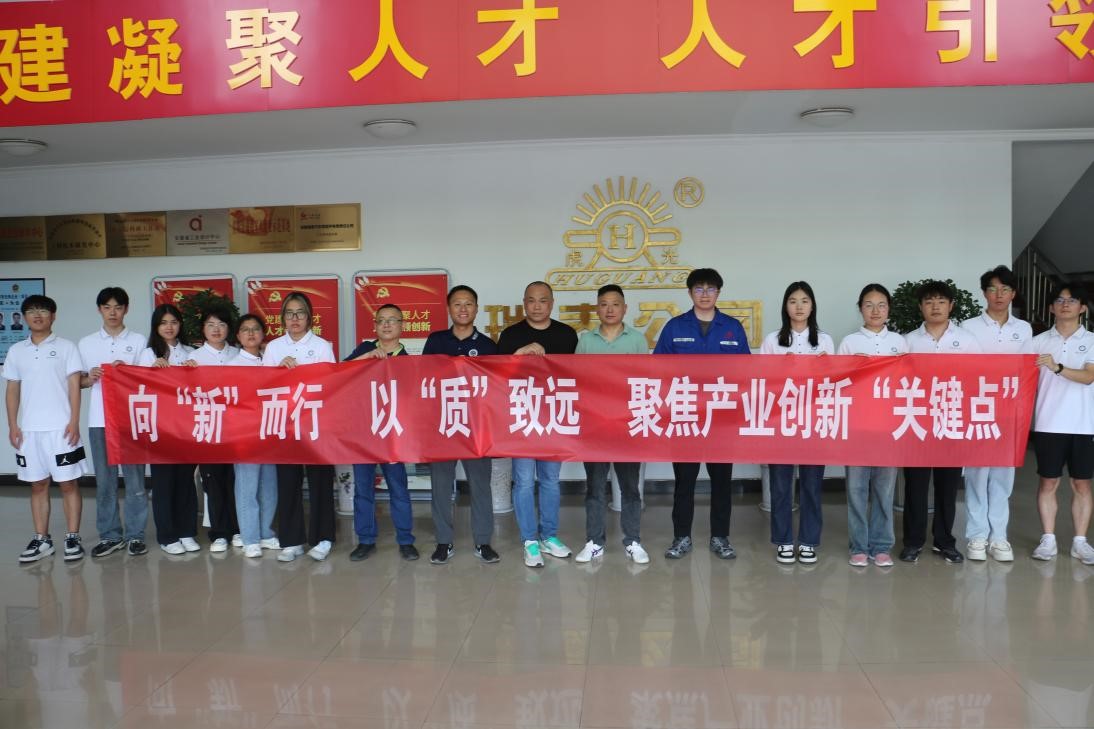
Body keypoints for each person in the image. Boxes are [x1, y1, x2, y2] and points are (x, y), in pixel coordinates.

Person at [653, 268, 750, 560]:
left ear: (718, 292)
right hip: (685, 416)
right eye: (699, 289)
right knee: (684, 481)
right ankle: (681, 536)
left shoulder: (732, 327)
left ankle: (720, 537)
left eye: (710, 289)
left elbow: (747, 371)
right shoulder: (674, 327)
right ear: (689, 293)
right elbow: (657, 369)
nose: (705, 294)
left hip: (721, 418)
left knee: (721, 481)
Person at [901, 280, 982, 565]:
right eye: (929, 301)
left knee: (948, 486)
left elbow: (977, 378)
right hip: (918, 422)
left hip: (952, 419)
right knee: (916, 486)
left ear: (951, 306)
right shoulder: (908, 341)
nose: (935, 307)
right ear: (920, 307)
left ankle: (944, 541)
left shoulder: (968, 340)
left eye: (941, 301)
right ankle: (913, 541)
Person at [498, 281, 579, 568]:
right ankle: (529, 540)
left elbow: (576, 375)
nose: (537, 306)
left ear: (552, 303)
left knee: (550, 480)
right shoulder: (510, 335)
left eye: (543, 300)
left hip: (553, 416)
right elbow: (497, 375)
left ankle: (549, 536)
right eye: (531, 300)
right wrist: (518, 354)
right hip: (522, 416)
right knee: (523, 481)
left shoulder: (566, 335)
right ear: (524, 303)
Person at [4, 295, 88, 563]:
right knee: (38, 485)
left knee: (68, 483)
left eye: (42, 310)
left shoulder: (66, 347)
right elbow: (12, 389)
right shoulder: (17, 350)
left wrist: (74, 421)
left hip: (62, 430)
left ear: (53, 316)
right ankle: (42, 540)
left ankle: (72, 537)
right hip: (30, 432)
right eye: (31, 311)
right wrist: (13, 425)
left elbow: (74, 387)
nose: (37, 315)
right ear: (24, 317)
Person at [422, 285, 500, 565]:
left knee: (480, 486)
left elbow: (497, 388)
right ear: (449, 309)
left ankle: (483, 542)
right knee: (441, 486)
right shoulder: (436, 341)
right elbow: (422, 380)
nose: (463, 309)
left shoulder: (489, 346)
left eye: (468, 304)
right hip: (443, 425)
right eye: (457, 304)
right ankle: (444, 542)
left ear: (476, 309)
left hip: (476, 427)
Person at [960, 265, 1033, 562]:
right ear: (984, 293)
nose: (999, 295)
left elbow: (1026, 371)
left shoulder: (1023, 329)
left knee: (1003, 475)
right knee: (977, 474)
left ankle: (999, 537)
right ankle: (976, 536)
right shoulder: (967, 327)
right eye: (993, 289)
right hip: (978, 409)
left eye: (1005, 289)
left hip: (1009, 410)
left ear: (1013, 294)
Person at [574, 285, 650, 564]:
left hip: (627, 426)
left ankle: (633, 541)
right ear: (597, 308)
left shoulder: (637, 340)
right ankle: (594, 542)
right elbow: (577, 381)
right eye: (604, 304)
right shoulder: (586, 341)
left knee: (630, 488)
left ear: (624, 308)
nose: (609, 309)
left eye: (615, 304)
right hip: (595, 426)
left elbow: (647, 382)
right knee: (594, 488)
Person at [760, 281, 835, 564]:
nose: (799, 306)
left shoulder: (825, 341)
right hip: (781, 421)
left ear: (812, 306)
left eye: (804, 301)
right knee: (781, 485)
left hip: (814, 420)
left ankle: (808, 541)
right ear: (785, 306)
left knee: (812, 485)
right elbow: (761, 382)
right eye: (793, 301)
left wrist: (824, 368)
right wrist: (781, 368)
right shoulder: (772, 340)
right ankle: (783, 540)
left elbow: (833, 382)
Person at [262, 292, 337, 562]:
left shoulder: (321, 346)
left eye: (300, 313)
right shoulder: (273, 348)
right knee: (288, 482)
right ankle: (291, 540)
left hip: (315, 424)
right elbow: (262, 386)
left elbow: (331, 383)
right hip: (285, 424)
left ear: (309, 317)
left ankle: (323, 538)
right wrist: (277, 371)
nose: (295, 318)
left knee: (320, 482)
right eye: (289, 313)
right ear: (282, 318)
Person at [837, 283, 907, 568]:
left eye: (881, 305)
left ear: (889, 308)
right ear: (860, 309)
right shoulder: (849, 343)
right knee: (856, 490)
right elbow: (838, 383)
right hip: (857, 426)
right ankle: (858, 545)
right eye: (869, 305)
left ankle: (881, 546)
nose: (875, 311)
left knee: (884, 490)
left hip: (890, 427)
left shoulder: (900, 342)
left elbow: (908, 382)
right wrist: (855, 368)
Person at [78, 287, 149, 558]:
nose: (112, 312)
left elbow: (148, 380)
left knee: (135, 482)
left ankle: (135, 535)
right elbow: (77, 381)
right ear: (99, 310)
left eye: (118, 307)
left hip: (131, 421)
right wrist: (90, 378)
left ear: (126, 309)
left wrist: (129, 372)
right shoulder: (86, 343)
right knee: (105, 482)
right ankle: (110, 535)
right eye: (107, 307)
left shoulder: (139, 341)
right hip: (99, 421)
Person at [345, 303, 419, 562]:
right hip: (363, 432)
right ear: (375, 325)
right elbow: (339, 374)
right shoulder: (364, 349)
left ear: (402, 326)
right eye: (381, 320)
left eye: (392, 320)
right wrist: (366, 358)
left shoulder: (408, 360)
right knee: (363, 488)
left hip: (393, 434)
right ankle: (365, 540)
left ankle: (405, 540)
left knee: (398, 487)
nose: (386, 325)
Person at [1030, 282, 1094, 565]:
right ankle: (1048, 539)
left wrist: (1057, 367)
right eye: (1059, 300)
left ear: (1083, 308)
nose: (1065, 304)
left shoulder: (1091, 340)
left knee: (1082, 484)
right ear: (1051, 308)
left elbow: (1089, 376)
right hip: (1048, 422)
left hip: (1083, 424)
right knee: (1048, 482)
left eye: (1071, 300)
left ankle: (1080, 541)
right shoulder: (1038, 342)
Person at [139, 304, 198, 555]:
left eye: (173, 322)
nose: (169, 327)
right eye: (163, 323)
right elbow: (137, 387)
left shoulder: (190, 352)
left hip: (186, 427)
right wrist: (152, 373)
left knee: (185, 481)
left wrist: (195, 371)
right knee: (164, 482)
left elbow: (200, 389)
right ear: (156, 327)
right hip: (160, 428)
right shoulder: (148, 354)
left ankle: (186, 531)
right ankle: (167, 536)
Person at [184, 306, 241, 553]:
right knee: (213, 482)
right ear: (203, 329)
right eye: (210, 324)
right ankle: (219, 533)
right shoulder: (194, 358)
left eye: (221, 324)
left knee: (236, 481)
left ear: (229, 328)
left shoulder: (238, 355)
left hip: (237, 430)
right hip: (208, 428)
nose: (216, 329)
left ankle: (238, 529)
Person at [228, 313, 280, 558]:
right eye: (245, 330)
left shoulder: (271, 361)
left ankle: (266, 533)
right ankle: (249, 537)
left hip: (270, 430)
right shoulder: (232, 365)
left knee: (269, 486)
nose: (251, 334)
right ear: (238, 336)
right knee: (247, 487)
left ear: (263, 334)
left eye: (255, 329)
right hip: (245, 434)